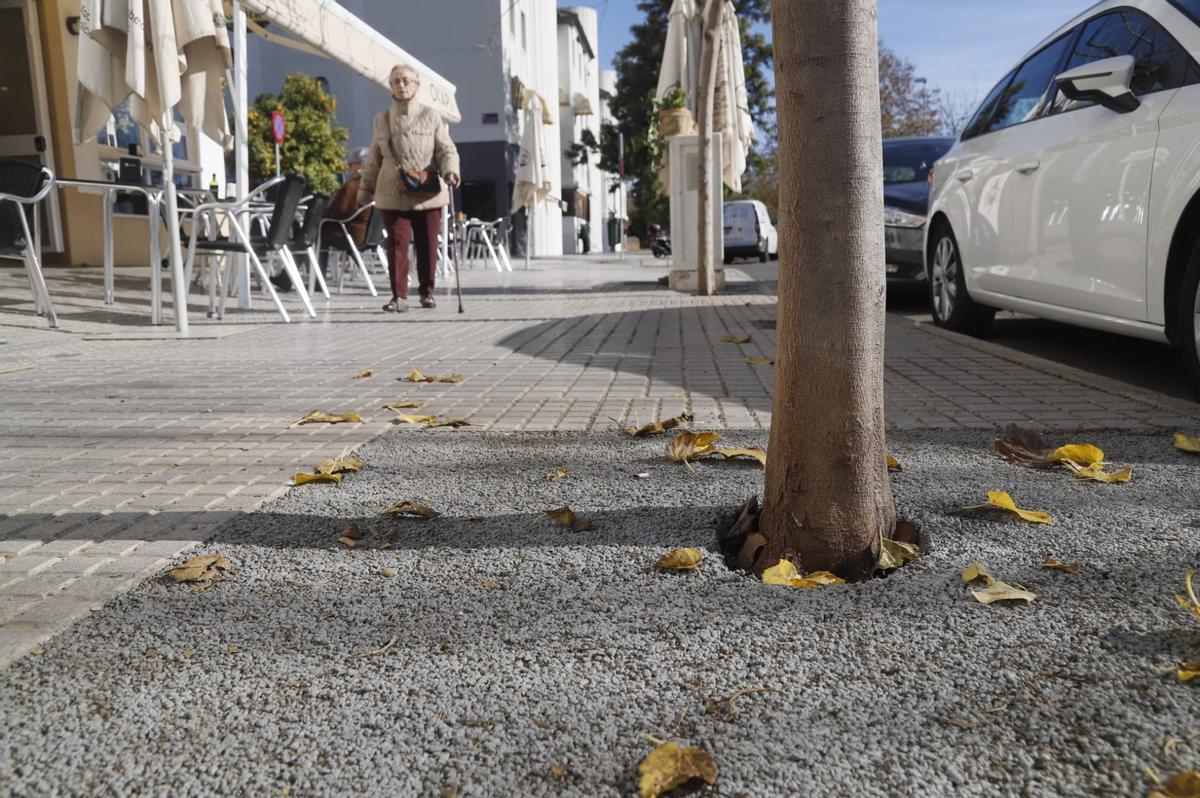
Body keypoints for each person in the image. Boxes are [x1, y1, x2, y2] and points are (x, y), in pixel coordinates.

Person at [359, 64, 460, 312]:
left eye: (406, 80)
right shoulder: (381, 119)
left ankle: (427, 292)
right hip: (392, 192)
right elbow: (373, 158)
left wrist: (451, 170)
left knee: (428, 244)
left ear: (417, 85)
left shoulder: (431, 115)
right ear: (390, 86)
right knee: (396, 245)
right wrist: (365, 189)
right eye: (396, 81)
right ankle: (399, 297)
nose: (401, 85)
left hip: (427, 192)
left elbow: (446, 149)